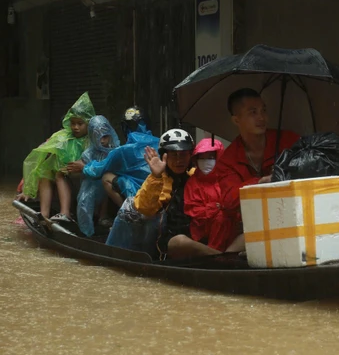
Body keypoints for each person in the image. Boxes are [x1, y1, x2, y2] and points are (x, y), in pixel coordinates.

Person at [106, 129, 219, 260]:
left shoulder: (196, 176)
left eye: (183, 155)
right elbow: (144, 209)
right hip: (166, 242)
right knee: (180, 241)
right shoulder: (158, 179)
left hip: (198, 234)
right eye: (174, 155)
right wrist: (156, 176)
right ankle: (220, 257)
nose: (179, 160)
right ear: (164, 156)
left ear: (190, 156)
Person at [215, 88, 300, 251]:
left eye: (264, 110)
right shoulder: (228, 159)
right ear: (236, 120)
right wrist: (260, 183)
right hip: (249, 224)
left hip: (290, 215)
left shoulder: (288, 141)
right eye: (253, 112)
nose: (261, 118)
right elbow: (229, 200)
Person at [21, 92, 95, 221]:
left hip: (86, 172)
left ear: (88, 123)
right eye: (73, 123)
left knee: (60, 174)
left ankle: (66, 212)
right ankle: (44, 215)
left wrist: (84, 166)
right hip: (67, 172)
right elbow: (40, 158)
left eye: (80, 123)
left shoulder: (94, 138)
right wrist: (26, 189)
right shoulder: (62, 137)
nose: (75, 127)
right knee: (45, 173)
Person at [71, 106, 159, 208]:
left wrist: (84, 167)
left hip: (139, 196)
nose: (102, 141)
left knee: (106, 177)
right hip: (158, 195)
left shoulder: (123, 151)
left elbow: (99, 169)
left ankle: (128, 210)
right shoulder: (158, 142)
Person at [183, 138, 235, 252]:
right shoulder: (193, 183)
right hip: (203, 233)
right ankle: (214, 253)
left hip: (231, 232)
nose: (206, 162)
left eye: (210, 158)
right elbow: (192, 209)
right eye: (202, 158)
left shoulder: (227, 179)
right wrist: (215, 208)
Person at [76, 115, 121, 236]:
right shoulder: (88, 154)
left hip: (109, 184)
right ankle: (87, 231)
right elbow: (90, 172)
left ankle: (104, 217)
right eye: (98, 136)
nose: (102, 141)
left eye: (105, 136)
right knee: (85, 199)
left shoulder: (115, 151)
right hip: (91, 184)